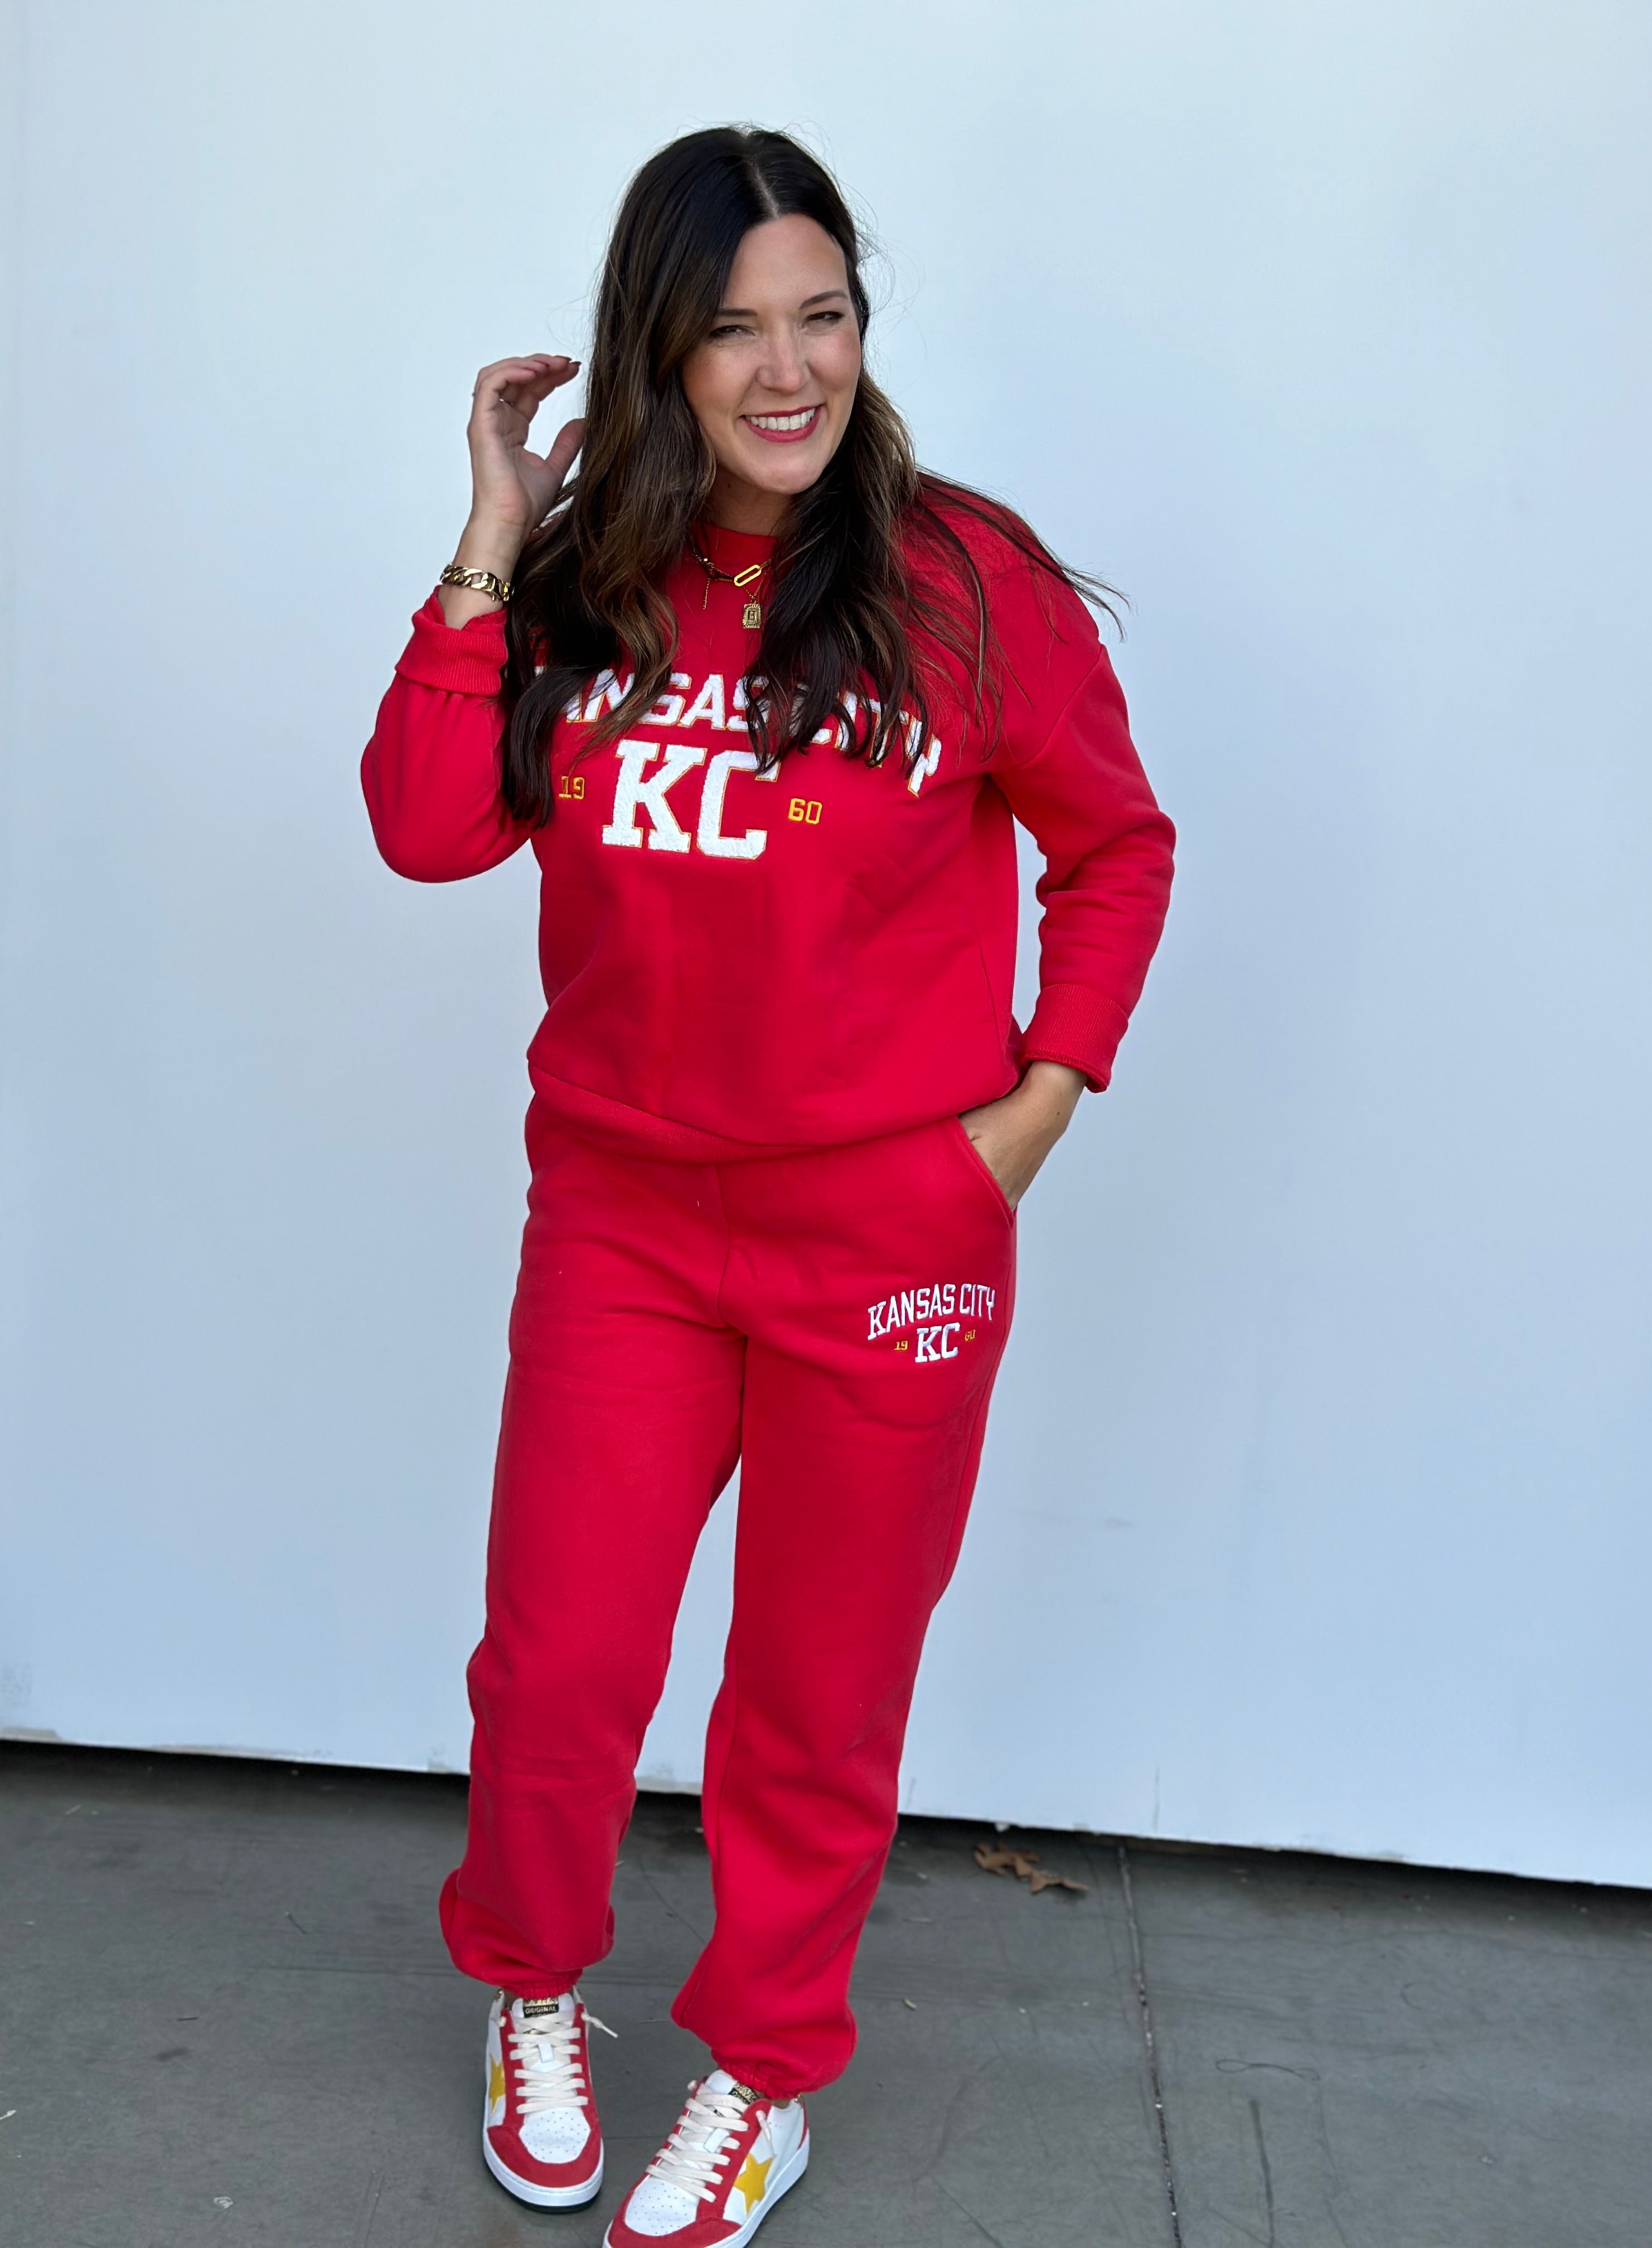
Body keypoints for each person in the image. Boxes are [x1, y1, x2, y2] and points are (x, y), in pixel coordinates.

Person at [361, 123, 1173, 2247]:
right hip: (624, 1221)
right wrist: (491, 536)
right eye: (733, 330)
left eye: (823, 317)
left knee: (816, 1699)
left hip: (889, 1237)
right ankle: (533, 1991)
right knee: (560, 1665)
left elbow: (1115, 845)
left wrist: (1036, 1108)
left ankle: (761, 2076)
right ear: (661, 351)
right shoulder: (580, 584)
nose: (787, 369)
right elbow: (428, 829)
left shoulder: (963, 580)